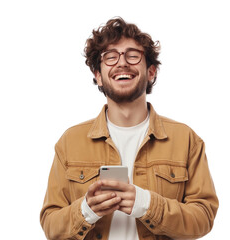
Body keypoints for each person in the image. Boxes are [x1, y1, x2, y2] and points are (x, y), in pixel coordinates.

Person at [40, 17, 218, 240]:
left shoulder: (186, 139)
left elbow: (203, 217)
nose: (122, 63)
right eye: (110, 57)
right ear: (99, 76)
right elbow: (51, 225)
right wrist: (86, 210)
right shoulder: (70, 141)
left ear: (151, 72)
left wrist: (146, 204)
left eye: (133, 55)